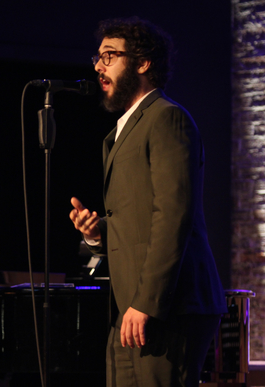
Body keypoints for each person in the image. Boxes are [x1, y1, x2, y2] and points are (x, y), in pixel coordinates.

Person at [69, 17, 228, 386]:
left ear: (143, 63)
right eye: (99, 56)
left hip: (166, 306)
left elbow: (174, 216)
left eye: (110, 56)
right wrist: (97, 234)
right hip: (131, 305)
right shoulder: (121, 132)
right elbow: (135, 223)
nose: (98, 65)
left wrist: (147, 303)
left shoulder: (167, 118)